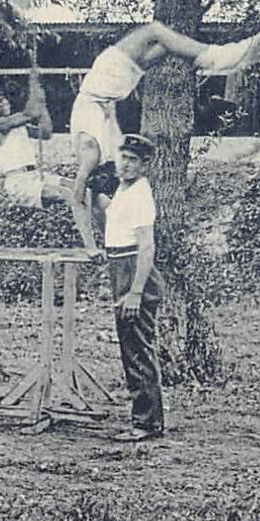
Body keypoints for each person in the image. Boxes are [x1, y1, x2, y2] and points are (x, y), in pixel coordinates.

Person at [71, 22, 260, 210]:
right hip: (106, 85)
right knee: (154, 31)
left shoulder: (98, 154)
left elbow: (86, 198)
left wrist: (83, 206)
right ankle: (220, 57)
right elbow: (91, 197)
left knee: (166, 47)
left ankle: (223, 60)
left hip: (110, 89)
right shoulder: (98, 154)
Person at [98, 134, 166, 443]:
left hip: (133, 270)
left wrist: (136, 291)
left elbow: (147, 247)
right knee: (130, 346)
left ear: (145, 165)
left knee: (137, 347)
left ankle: (147, 423)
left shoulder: (140, 194)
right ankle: (146, 418)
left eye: (133, 160)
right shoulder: (124, 190)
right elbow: (113, 220)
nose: (125, 165)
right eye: (122, 157)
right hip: (118, 265)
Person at [0, 78, 103, 261]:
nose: (1, 105)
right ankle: (91, 249)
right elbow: (28, 113)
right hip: (19, 182)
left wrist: (44, 106)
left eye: (2, 100)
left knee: (83, 190)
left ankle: (107, 239)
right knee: (69, 194)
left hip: (36, 176)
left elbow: (46, 132)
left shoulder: (19, 127)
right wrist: (37, 96)